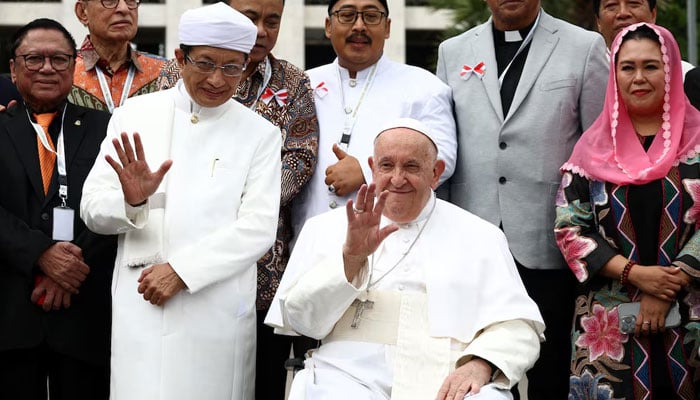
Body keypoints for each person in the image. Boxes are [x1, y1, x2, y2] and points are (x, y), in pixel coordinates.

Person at [79, 3, 281, 399]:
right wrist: (131, 203)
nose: (217, 79)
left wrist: (183, 270)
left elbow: (258, 228)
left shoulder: (260, 133)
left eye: (232, 67)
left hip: (216, 311)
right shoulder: (133, 115)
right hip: (143, 308)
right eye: (205, 63)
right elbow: (92, 208)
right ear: (179, 58)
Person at [266, 118, 544, 400]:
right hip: (346, 375)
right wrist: (350, 259)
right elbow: (302, 322)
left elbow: (519, 326)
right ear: (373, 168)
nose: (397, 179)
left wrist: (480, 364)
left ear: (436, 173)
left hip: (447, 376)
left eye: (412, 166)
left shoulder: (482, 236)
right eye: (387, 166)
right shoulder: (325, 228)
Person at [435, 1, 609, 399]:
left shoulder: (583, 46)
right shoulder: (454, 50)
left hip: (549, 238)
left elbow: (597, 150)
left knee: (550, 369)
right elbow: (443, 146)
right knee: (478, 366)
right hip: (473, 237)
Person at [155, 1, 320, 395]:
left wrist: (244, 201)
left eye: (272, 21)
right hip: (176, 258)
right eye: (251, 18)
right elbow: (161, 151)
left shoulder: (293, 82)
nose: (262, 30)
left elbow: (301, 156)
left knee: (250, 380)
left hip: (261, 267)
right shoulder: (173, 74)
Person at [555, 22, 700, 399]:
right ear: (614, 74)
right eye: (627, 67)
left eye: (651, 66)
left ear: (670, 70)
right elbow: (570, 231)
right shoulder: (591, 149)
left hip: (692, 317)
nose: (639, 77)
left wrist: (666, 284)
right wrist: (637, 275)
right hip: (609, 326)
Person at [0, 18, 116, 400]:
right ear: (14, 68)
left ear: (74, 67)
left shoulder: (108, 128)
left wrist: (69, 266)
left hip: (85, 313)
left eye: (59, 59)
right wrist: (41, 255)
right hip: (12, 312)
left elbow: (119, 201)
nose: (47, 68)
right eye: (34, 58)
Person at [292, 0, 457, 237]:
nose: (359, 26)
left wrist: (367, 173)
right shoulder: (302, 85)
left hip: (390, 237)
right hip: (310, 237)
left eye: (371, 16)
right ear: (328, 26)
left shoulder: (425, 87)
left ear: (387, 27)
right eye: (347, 15)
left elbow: (441, 159)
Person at [70, 0, 165, 112]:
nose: (124, 8)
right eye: (110, 1)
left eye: (130, 0)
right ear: (82, 12)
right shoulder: (59, 73)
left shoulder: (166, 72)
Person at [593, 0, 694, 78]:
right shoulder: (589, 77)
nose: (623, 13)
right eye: (611, 6)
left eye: (634, 3)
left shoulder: (685, 76)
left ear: (653, 14)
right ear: (598, 21)